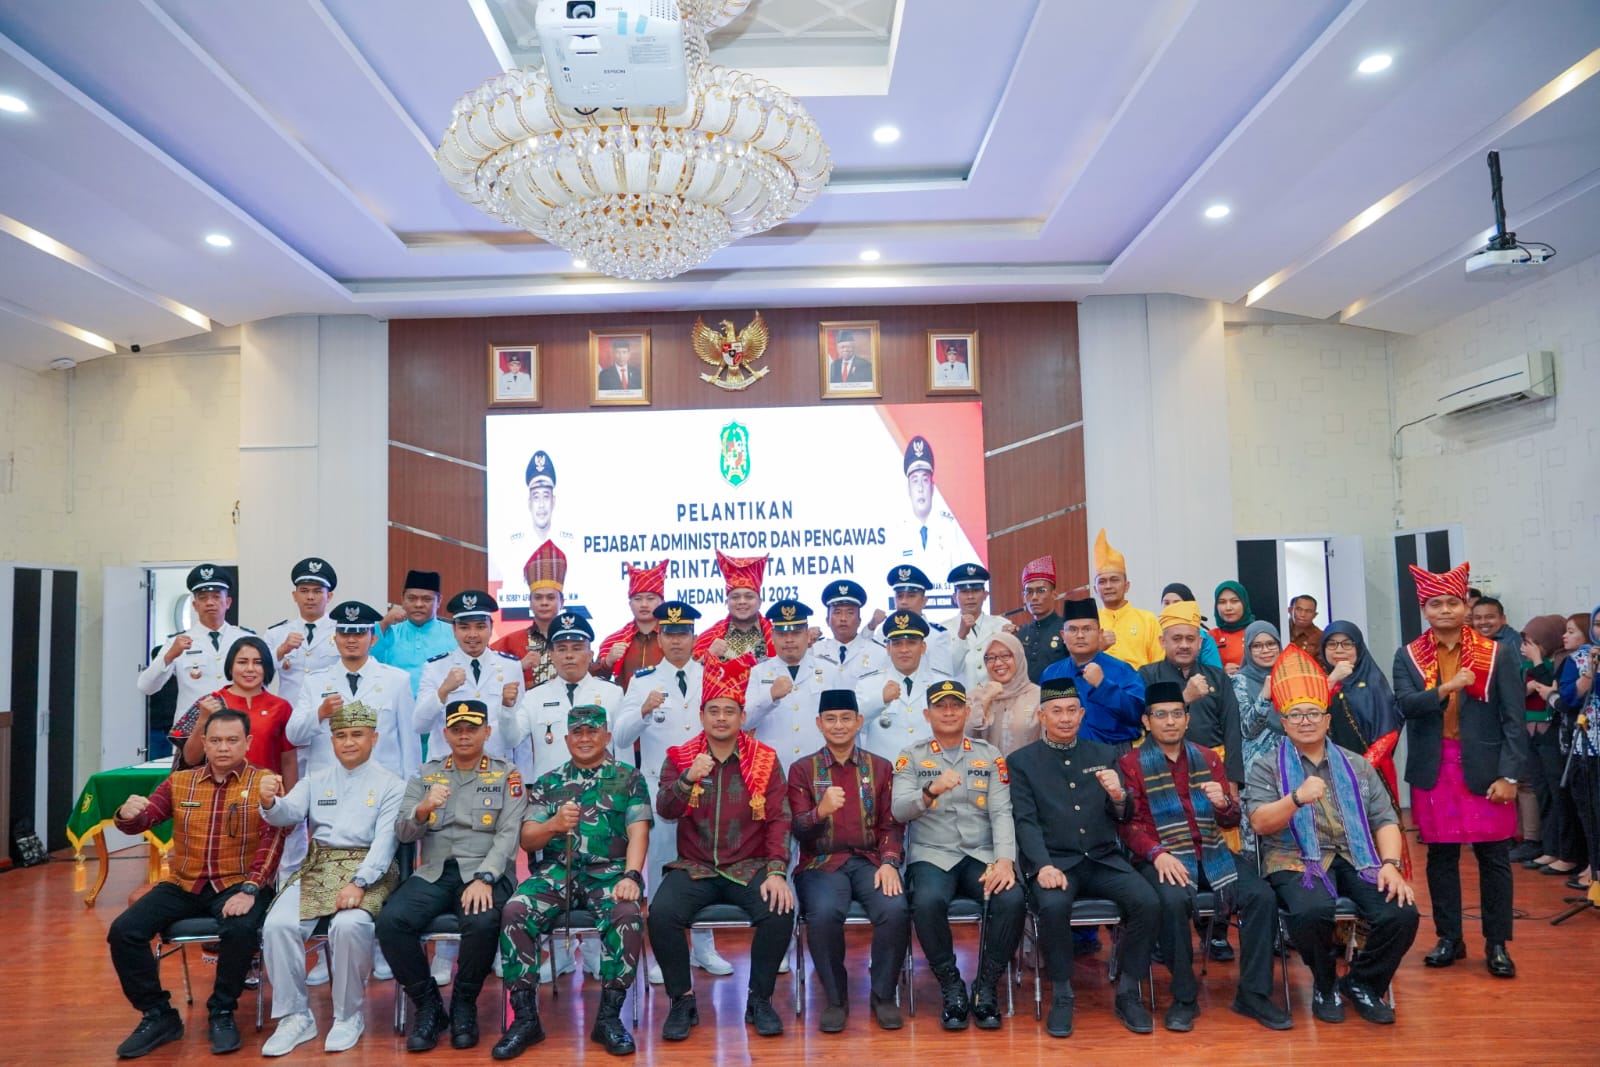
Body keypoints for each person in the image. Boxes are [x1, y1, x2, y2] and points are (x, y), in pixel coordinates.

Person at [1246, 645, 1419, 1025]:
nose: (1305, 721)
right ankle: (1324, 984)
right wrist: (1295, 798)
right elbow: (1259, 823)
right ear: (1284, 722)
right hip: (1293, 858)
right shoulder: (1266, 767)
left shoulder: (1357, 764)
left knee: (1401, 913)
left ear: (1327, 720)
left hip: (1358, 857)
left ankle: (1362, 983)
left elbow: (1385, 819)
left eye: (1313, 714)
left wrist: (1390, 864)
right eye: (1296, 715)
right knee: (1311, 911)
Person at [106, 708, 287, 1058]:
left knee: (240, 929)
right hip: (184, 883)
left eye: (232, 740)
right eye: (216, 740)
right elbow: (144, 819)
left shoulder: (264, 782)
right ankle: (158, 1014)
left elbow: (274, 838)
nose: (223, 748)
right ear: (203, 742)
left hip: (238, 883)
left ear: (248, 743)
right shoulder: (180, 782)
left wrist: (252, 888)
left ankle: (222, 1011)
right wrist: (126, 815)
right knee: (124, 931)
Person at [1118, 682, 1291, 1032]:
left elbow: (1230, 820)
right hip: (1162, 856)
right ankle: (1184, 997)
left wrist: (1223, 803)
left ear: (1188, 718)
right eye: (1161, 715)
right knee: (1171, 900)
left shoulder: (1208, 757)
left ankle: (1253, 994)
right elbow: (1127, 825)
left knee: (1261, 896)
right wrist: (1157, 854)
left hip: (1210, 850)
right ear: (1147, 722)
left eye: (1176, 714)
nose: (1170, 722)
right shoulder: (1130, 763)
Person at [648, 656, 794, 1042]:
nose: (721, 718)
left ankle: (759, 1000)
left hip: (748, 866)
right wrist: (687, 779)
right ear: (702, 715)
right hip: (694, 867)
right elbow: (665, 809)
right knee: (661, 914)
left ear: (742, 716)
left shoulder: (764, 760)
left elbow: (779, 819)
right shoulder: (680, 757)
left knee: (779, 911)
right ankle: (682, 1001)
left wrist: (776, 871)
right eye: (713, 711)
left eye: (729, 711)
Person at [1393, 562, 1527, 979]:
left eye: (1452, 602)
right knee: (1441, 858)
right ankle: (1449, 937)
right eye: (1436, 604)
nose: (1445, 610)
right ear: (1424, 610)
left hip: (1486, 769)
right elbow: (1406, 705)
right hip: (1435, 769)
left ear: (1465, 606)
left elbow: (1514, 719)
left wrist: (1509, 776)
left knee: (1494, 856)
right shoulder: (1408, 655)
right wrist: (1446, 689)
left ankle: (1497, 943)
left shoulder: (1496, 652)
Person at [494, 704, 651, 1058]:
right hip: (556, 871)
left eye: (592, 731)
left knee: (627, 914)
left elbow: (638, 831)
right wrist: (553, 825)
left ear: (606, 736)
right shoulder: (549, 782)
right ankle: (526, 1019)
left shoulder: (629, 778)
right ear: (566, 740)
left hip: (609, 872)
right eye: (577, 732)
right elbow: (528, 839)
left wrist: (631, 875)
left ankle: (609, 1018)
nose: (585, 738)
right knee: (515, 910)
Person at [1006, 677, 1157, 1037]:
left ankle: (1128, 991)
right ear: (1042, 716)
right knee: (1053, 906)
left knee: (1148, 902)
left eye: (1072, 710)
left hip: (1102, 859)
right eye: (1056, 711)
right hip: (1056, 862)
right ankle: (1062, 994)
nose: (1065, 718)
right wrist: (1042, 865)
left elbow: (1123, 816)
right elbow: (1025, 822)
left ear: (1082, 714)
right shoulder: (1022, 761)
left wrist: (1119, 797)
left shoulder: (1103, 754)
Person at [376, 699, 526, 1052]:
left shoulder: (507, 775)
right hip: (434, 871)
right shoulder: (425, 775)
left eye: (472, 729)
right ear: (445, 734)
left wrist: (485, 878)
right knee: (391, 922)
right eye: (456, 730)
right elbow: (403, 833)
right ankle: (428, 1005)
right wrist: (423, 809)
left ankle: (463, 1004)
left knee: (482, 921)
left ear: (487, 732)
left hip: (484, 871)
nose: (464, 736)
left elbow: (509, 835)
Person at [257, 702, 404, 1056]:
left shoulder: (392, 785)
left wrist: (360, 882)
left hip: (370, 869)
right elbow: (287, 813)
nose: (348, 742)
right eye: (340, 735)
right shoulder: (316, 779)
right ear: (332, 740)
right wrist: (269, 802)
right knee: (277, 924)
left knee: (349, 926)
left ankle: (348, 1016)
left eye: (357, 735)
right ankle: (295, 1016)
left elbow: (385, 845)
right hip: (320, 867)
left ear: (374, 738)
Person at [892, 679, 1023, 1031]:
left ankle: (986, 986)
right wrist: (929, 791)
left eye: (955, 706)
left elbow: (1001, 812)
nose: (948, 712)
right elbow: (899, 810)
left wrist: (1005, 861)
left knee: (1011, 898)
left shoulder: (989, 755)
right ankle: (951, 985)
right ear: (927, 714)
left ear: (967, 712)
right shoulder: (911, 755)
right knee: (927, 901)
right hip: (932, 854)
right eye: (940, 706)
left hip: (981, 854)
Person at [611, 601, 730, 981]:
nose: (677, 641)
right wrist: (643, 711)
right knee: (663, 870)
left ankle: (705, 948)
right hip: (660, 790)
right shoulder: (643, 680)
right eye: (670, 634)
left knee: (705, 867)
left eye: (683, 633)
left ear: (694, 638)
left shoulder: (711, 674)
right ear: (659, 637)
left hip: (707, 787)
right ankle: (666, 954)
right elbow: (620, 736)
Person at [788, 689, 909, 1032]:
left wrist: (889, 862)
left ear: (858, 722)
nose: (838, 725)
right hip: (820, 864)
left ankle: (883, 995)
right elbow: (797, 828)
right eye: (831, 719)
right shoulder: (802, 769)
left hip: (871, 861)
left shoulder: (880, 767)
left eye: (845, 718)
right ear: (819, 723)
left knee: (895, 908)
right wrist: (820, 811)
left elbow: (892, 824)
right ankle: (835, 998)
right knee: (824, 913)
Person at [289, 600, 420, 781]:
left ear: (373, 639)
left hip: (382, 783)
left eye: (359, 633)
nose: (351, 640)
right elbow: (294, 736)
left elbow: (410, 744)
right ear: (335, 639)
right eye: (344, 633)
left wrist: (411, 789)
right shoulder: (315, 682)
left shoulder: (397, 680)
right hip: (329, 784)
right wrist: (319, 714)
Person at [414, 590, 526, 769]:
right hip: (446, 769)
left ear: (491, 628)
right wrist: (443, 691)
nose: (472, 634)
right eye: (464, 627)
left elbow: (515, 739)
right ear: (454, 630)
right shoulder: (435, 667)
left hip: (494, 769)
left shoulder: (510, 666)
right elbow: (419, 726)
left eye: (480, 627)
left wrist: (507, 708)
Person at [170, 635, 298, 790]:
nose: (250, 669)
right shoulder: (211, 703)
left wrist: (290, 801)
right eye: (242, 662)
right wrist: (203, 720)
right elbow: (190, 759)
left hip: (267, 795)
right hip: (217, 797)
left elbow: (289, 760)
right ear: (230, 667)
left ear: (267, 667)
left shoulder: (281, 707)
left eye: (258, 662)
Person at [1140, 600, 1244, 786]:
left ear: (1200, 642)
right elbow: (1142, 722)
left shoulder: (1217, 677)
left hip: (1212, 770)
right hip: (1162, 772)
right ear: (1163, 642)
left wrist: (1233, 780)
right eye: (1176, 639)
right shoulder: (1148, 675)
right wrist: (1184, 698)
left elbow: (1232, 729)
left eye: (1190, 639)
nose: (1184, 645)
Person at [137, 563, 253, 715]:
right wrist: (169, 656)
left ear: (228, 602)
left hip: (237, 722)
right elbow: (146, 687)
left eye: (216, 597)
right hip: (194, 725)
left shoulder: (246, 639)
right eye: (203, 598)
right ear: (195, 605)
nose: (209, 603)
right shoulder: (176, 642)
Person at [1320, 622, 1404, 824]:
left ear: (1359, 647)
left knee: (1380, 828)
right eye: (1332, 644)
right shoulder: (1319, 681)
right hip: (1328, 770)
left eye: (1347, 644)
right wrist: (1331, 680)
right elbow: (1311, 713)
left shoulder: (1373, 681)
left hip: (1373, 770)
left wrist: (1360, 769)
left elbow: (1389, 733)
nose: (1339, 650)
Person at [1039, 597, 1146, 750]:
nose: (1080, 635)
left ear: (1100, 633)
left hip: (1114, 753)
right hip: (1063, 753)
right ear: (1063, 636)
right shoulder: (1051, 673)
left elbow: (1138, 715)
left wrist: (1103, 686)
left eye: (1087, 629)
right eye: (1073, 630)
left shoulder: (1121, 670)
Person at [1520, 613, 1579, 871]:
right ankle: (1550, 847)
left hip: (1553, 731)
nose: (1528, 647)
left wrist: (1537, 662)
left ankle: (1565, 852)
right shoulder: (1525, 664)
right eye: (1526, 642)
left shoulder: (1562, 660)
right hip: (1531, 731)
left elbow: (1553, 693)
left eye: (1535, 642)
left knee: (1559, 793)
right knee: (1542, 791)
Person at [854, 611, 953, 761]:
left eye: (911, 643)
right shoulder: (868, 684)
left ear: (923, 647)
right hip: (886, 771)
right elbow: (852, 724)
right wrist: (880, 700)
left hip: (931, 770)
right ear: (888, 649)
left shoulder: (943, 684)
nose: (904, 650)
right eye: (897, 643)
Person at [745, 599, 830, 767]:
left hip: (817, 765)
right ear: (772, 637)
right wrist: (770, 696)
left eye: (796, 633)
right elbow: (745, 721)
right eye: (782, 634)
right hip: (773, 768)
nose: (789, 640)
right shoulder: (758, 672)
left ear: (807, 635)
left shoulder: (828, 670)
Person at [1556, 608, 1600, 899]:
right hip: (1589, 745)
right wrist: (1591, 670)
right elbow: (1570, 699)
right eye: (1598, 624)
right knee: (1591, 811)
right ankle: (1595, 868)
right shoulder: (1580, 658)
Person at [262, 557, 340, 710]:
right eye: (304, 591)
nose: (310, 597)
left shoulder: (341, 632)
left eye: (317, 591)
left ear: (329, 596)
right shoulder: (276, 633)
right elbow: (259, 673)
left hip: (330, 715)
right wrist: (281, 651)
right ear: (294, 596)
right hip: (289, 714)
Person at [491, 540, 566, 690]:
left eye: (550, 598)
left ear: (562, 602)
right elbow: (487, 677)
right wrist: (519, 667)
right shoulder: (509, 643)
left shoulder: (573, 639)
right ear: (530, 603)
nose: (544, 603)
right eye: (538, 598)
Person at [893, 438, 968, 584]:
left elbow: (960, 580)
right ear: (908, 489)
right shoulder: (898, 532)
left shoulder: (949, 528)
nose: (920, 488)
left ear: (932, 488)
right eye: (915, 481)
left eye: (925, 480)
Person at [373, 569, 457, 698]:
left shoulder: (454, 633)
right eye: (411, 598)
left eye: (426, 599)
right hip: (396, 707)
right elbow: (370, 665)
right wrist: (383, 624)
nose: (418, 604)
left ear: (439, 601)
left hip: (442, 707)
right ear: (402, 599)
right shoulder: (389, 632)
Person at [594, 559, 670, 689]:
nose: (644, 604)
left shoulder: (673, 636)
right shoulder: (615, 640)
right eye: (638, 599)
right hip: (626, 701)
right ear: (630, 604)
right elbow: (592, 683)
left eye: (650, 598)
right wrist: (607, 662)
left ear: (662, 602)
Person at [1094, 529, 1163, 669]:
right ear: (1095, 589)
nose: (1108, 586)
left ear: (1126, 586)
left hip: (1140, 682)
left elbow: (1159, 665)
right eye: (1102, 582)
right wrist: (1097, 648)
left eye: (1114, 580)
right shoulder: (1090, 623)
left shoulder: (1147, 620)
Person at [692, 550, 775, 662]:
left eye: (749, 596)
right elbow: (689, 671)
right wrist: (708, 656)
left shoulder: (776, 635)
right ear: (727, 602)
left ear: (760, 602)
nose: (742, 601)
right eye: (735, 597)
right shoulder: (709, 637)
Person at [968, 631, 1040, 755]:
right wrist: (985, 699)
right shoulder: (975, 696)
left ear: (1018, 657)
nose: (998, 663)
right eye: (991, 658)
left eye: (1005, 655)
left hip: (1027, 767)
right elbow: (964, 737)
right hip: (985, 767)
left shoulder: (1038, 696)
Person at [1232, 621, 1284, 791]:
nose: (1265, 650)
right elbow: (1247, 730)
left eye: (1271, 644)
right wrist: (1264, 697)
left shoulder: (1289, 676)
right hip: (1258, 769)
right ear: (1248, 650)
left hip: (1291, 760)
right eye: (1257, 646)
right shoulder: (1239, 681)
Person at [947, 563, 1013, 689]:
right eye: (964, 592)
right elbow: (950, 671)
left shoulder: (1002, 625)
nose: (970, 597)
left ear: (985, 595)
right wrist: (961, 636)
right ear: (955, 597)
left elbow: (1012, 669)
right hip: (963, 699)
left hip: (997, 698)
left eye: (976, 591)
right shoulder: (943, 629)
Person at [812, 579, 888, 689]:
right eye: (837, 612)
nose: (843, 618)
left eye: (850, 613)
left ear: (859, 621)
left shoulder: (878, 652)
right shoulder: (814, 651)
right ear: (827, 620)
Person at [885, 564, 958, 675]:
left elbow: (943, 677)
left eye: (911, 596)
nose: (904, 601)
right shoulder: (883, 632)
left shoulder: (937, 636)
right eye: (899, 596)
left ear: (924, 601)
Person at [1016, 554, 1068, 683]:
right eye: (1029, 592)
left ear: (1054, 595)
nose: (1034, 597)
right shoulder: (1020, 632)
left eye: (1041, 590)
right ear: (1023, 597)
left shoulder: (1067, 629)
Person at [1161, 583, 1223, 669]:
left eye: (1177, 603)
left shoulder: (1205, 639)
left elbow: (1215, 673)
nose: (1170, 607)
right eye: (1166, 603)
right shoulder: (1154, 634)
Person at [1209, 581, 1256, 675]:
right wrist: (1222, 673)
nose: (1228, 607)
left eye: (1234, 601)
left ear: (1244, 603)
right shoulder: (1210, 637)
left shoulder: (1257, 632)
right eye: (1222, 602)